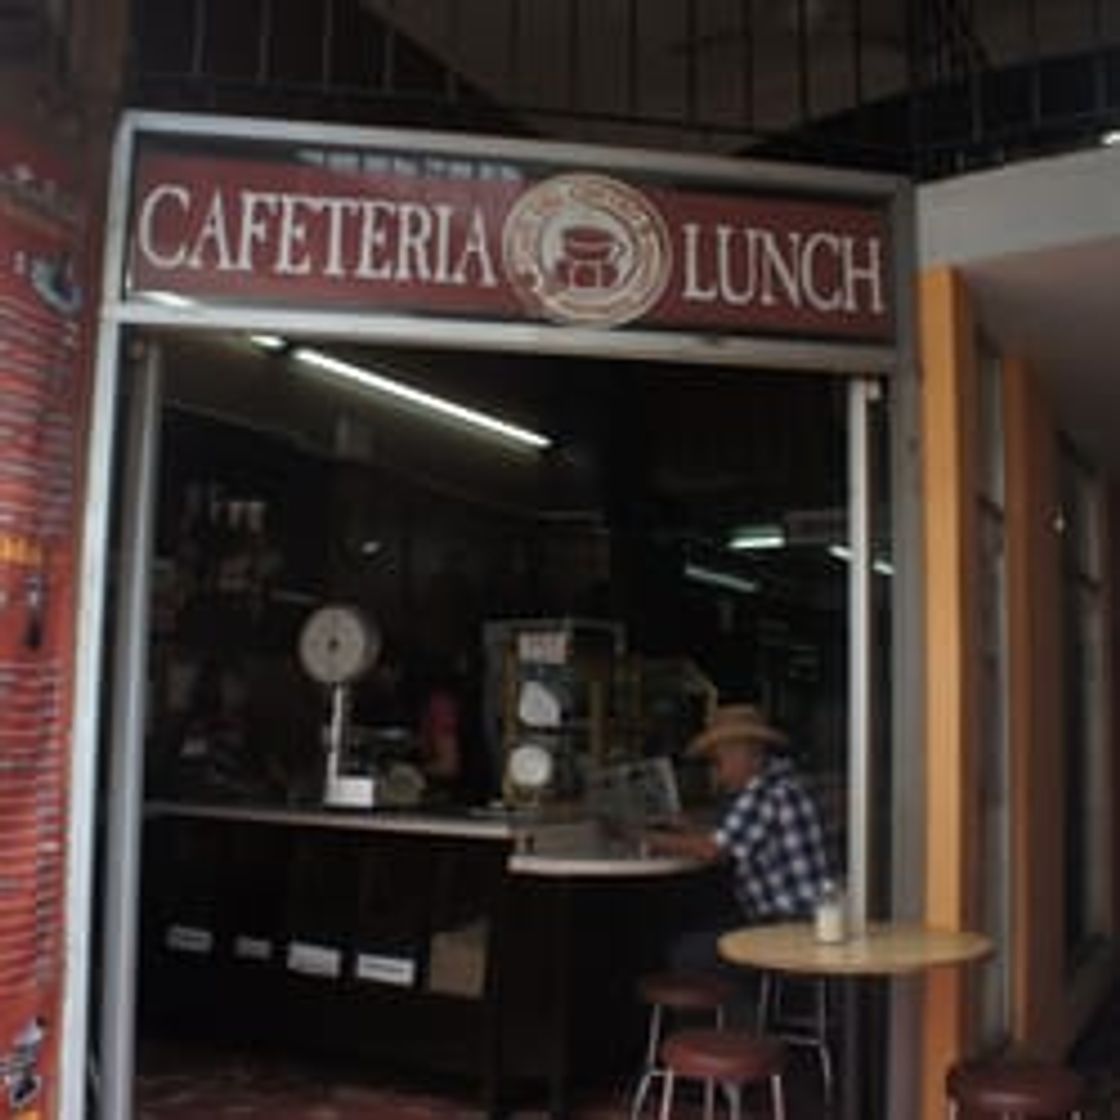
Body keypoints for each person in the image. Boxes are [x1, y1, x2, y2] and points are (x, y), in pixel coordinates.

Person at [644, 703, 832, 975]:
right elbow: (733, 836)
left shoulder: (764, 791)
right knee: (703, 923)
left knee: (683, 952)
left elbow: (712, 850)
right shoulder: (784, 781)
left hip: (786, 927)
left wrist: (644, 837)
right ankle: (749, 1008)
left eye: (719, 761)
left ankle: (748, 1013)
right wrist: (689, 828)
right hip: (808, 924)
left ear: (748, 753)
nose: (717, 775)